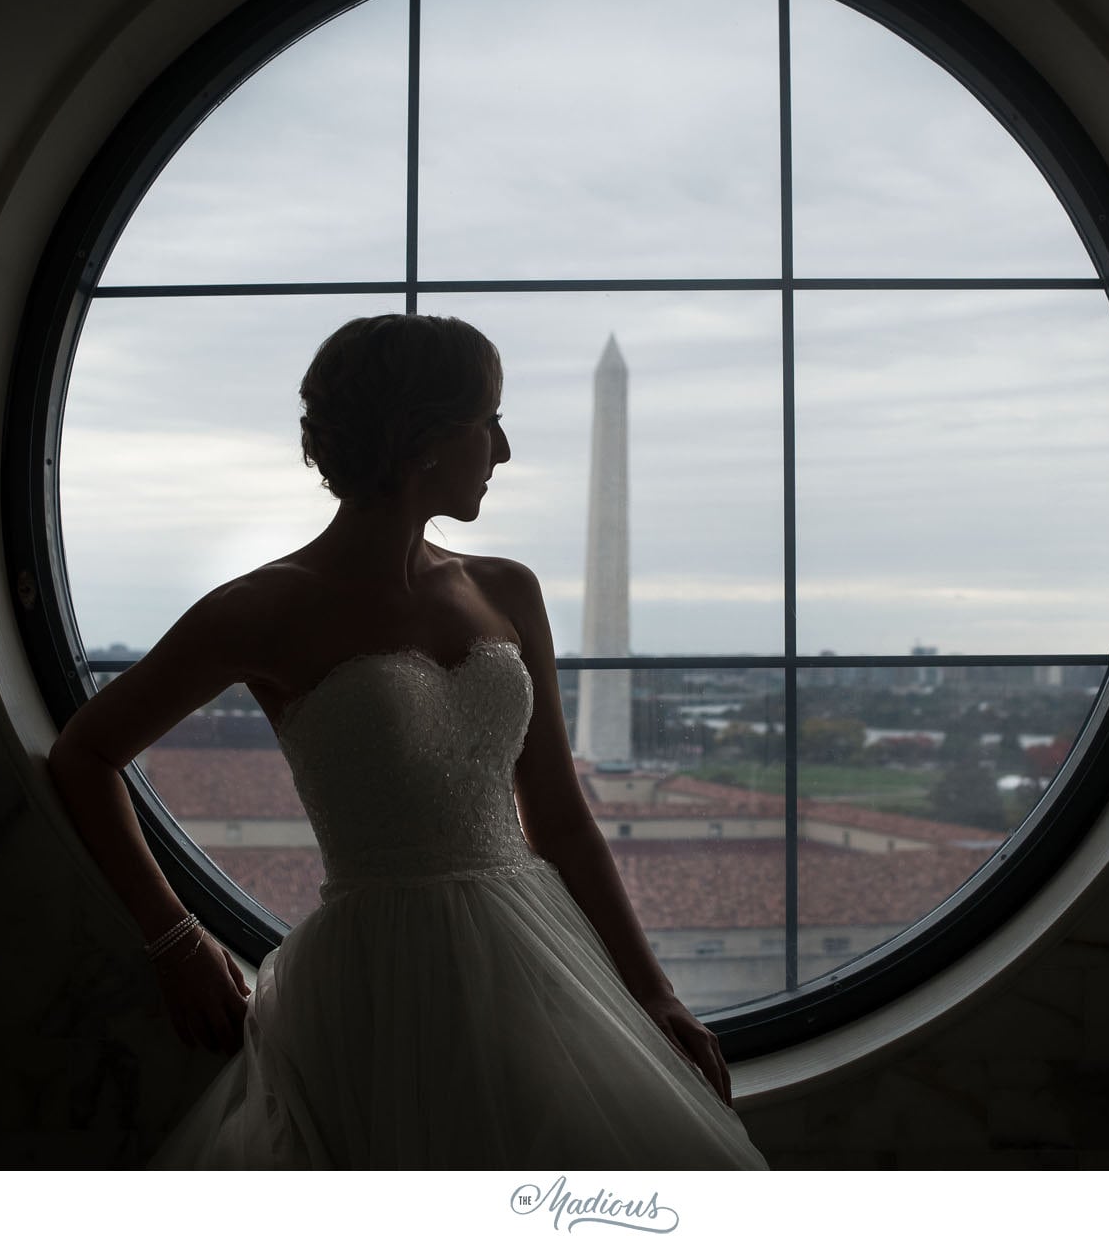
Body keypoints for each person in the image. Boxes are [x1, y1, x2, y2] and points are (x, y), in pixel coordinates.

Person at [46, 313, 770, 1169]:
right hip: (376, 987)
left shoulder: (508, 589)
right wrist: (174, 937)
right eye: (488, 422)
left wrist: (652, 991)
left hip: (537, 958)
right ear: (424, 438)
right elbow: (83, 757)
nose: (502, 451)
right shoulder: (261, 608)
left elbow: (562, 818)